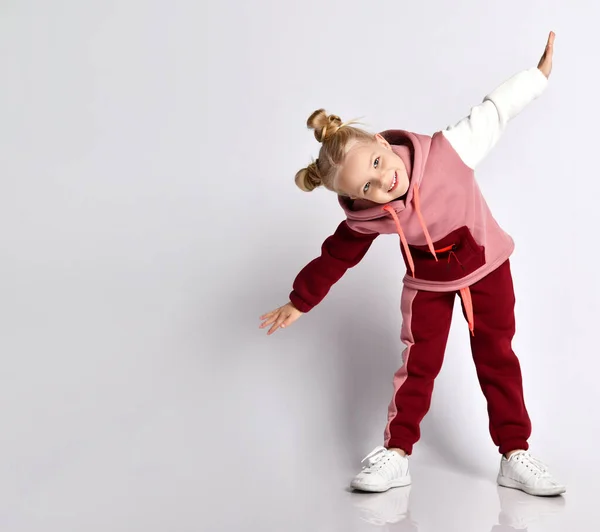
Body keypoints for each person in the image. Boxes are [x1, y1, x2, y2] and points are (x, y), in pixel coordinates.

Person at [259, 31, 565, 497]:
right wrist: (300, 301)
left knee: (497, 358)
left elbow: (495, 110)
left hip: (487, 269)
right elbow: (337, 253)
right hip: (427, 284)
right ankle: (397, 454)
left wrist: (535, 78)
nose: (385, 180)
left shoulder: (450, 149)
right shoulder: (371, 216)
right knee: (417, 366)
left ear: (382, 141)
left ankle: (514, 453)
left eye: (379, 162)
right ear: (354, 197)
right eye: (368, 186)